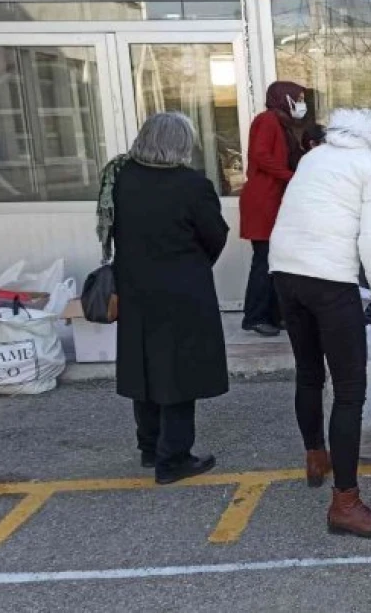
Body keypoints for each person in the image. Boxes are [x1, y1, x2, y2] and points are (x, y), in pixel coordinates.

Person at [269, 108, 371, 538]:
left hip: (284, 272)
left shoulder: (316, 156)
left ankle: (316, 457)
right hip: (329, 279)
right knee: (349, 392)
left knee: (309, 374)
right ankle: (345, 502)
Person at [101, 112, 229, 485]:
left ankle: (149, 446)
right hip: (181, 289)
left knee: (145, 367)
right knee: (179, 372)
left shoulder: (122, 178)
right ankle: (173, 458)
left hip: (135, 286)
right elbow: (214, 234)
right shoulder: (191, 185)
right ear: (182, 144)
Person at [239, 81, 308, 337]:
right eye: (298, 98)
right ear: (285, 99)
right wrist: (290, 176)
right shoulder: (267, 120)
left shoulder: (282, 124)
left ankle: (273, 314)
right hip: (263, 201)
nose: (301, 104)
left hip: (273, 200)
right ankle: (255, 316)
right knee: (264, 260)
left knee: (273, 261)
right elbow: (261, 156)